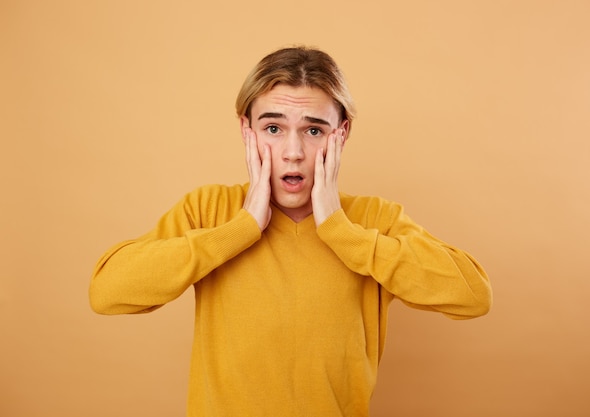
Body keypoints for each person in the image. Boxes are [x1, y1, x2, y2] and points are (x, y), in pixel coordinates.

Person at [89, 46, 492, 417]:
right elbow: (108, 292)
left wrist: (340, 230)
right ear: (247, 130)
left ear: (342, 134)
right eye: (273, 128)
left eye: (314, 130)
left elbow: (472, 295)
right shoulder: (209, 210)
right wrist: (240, 229)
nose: (293, 151)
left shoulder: (372, 219)